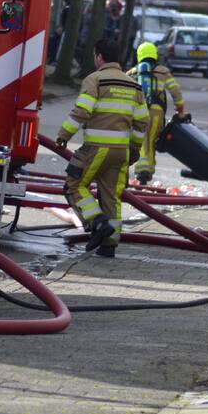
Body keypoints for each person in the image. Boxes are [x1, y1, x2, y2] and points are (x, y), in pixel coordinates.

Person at [56, 39, 148, 257]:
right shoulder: (134, 85)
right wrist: (134, 149)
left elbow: (83, 110)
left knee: (74, 186)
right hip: (121, 152)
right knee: (111, 195)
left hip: (96, 149)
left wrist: (63, 135)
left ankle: (97, 222)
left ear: (98, 57)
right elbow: (142, 121)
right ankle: (108, 246)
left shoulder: (95, 79)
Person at [127, 41, 186, 185]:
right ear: (154, 54)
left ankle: (140, 171)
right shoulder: (163, 71)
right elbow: (176, 92)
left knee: (139, 141)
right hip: (156, 112)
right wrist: (180, 110)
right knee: (150, 142)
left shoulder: (132, 72)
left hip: (137, 113)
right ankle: (145, 172)